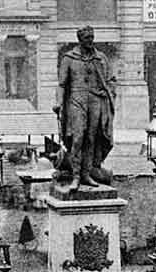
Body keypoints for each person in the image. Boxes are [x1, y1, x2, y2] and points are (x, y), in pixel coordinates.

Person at [55, 25, 116, 192]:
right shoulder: (69, 58)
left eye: (92, 37)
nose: (90, 41)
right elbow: (61, 84)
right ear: (79, 39)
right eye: (87, 38)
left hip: (96, 100)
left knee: (92, 138)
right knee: (77, 137)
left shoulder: (100, 58)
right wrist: (59, 103)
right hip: (76, 99)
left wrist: (109, 94)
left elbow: (110, 80)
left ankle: (86, 174)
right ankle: (75, 176)